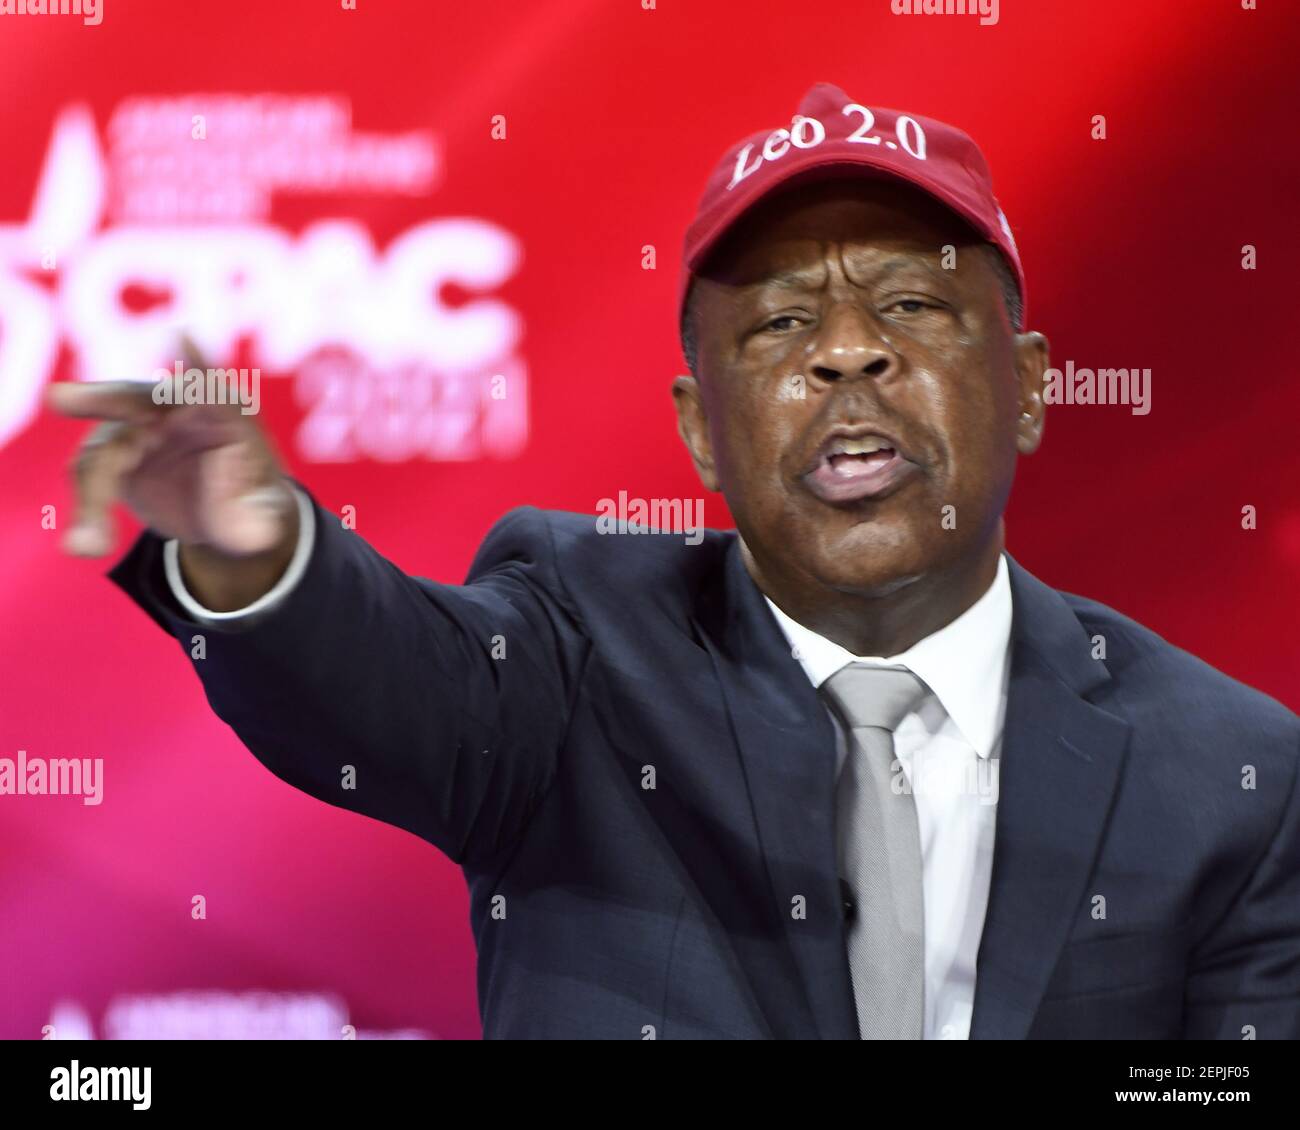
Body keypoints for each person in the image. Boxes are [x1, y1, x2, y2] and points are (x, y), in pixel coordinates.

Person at [50, 82, 1300, 1040]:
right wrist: (265, 551)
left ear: (1026, 386)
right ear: (700, 430)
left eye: (912, 305)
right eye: (781, 322)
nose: (847, 355)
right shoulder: (578, 648)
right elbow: (379, 680)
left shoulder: (1233, 773)